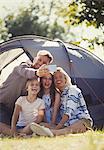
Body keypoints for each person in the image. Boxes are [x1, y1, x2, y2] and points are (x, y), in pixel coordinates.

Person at [0, 50, 53, 135]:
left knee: (13, 125)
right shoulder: (23, 66)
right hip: (2, 103)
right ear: (35, 58)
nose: (40, 63)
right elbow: (25, 72)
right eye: (39, 60)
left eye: (44, 63)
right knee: (3, 125)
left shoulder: (37, 80)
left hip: (15, 109)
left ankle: (18, 133)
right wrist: (37, 72)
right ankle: (16, 134)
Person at [30, 67, 93, 136]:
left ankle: (53, 133)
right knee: (42, 124)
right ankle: (45, 132)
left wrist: (57, 127)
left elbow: (68, 112)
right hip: (66, 124)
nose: (58, 79)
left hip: (82, 121)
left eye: (60, 77)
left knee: (68, 128)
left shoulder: (72, 90)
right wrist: (45, 69)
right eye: (55, 78)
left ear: (65, 79)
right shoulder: (61, 95)